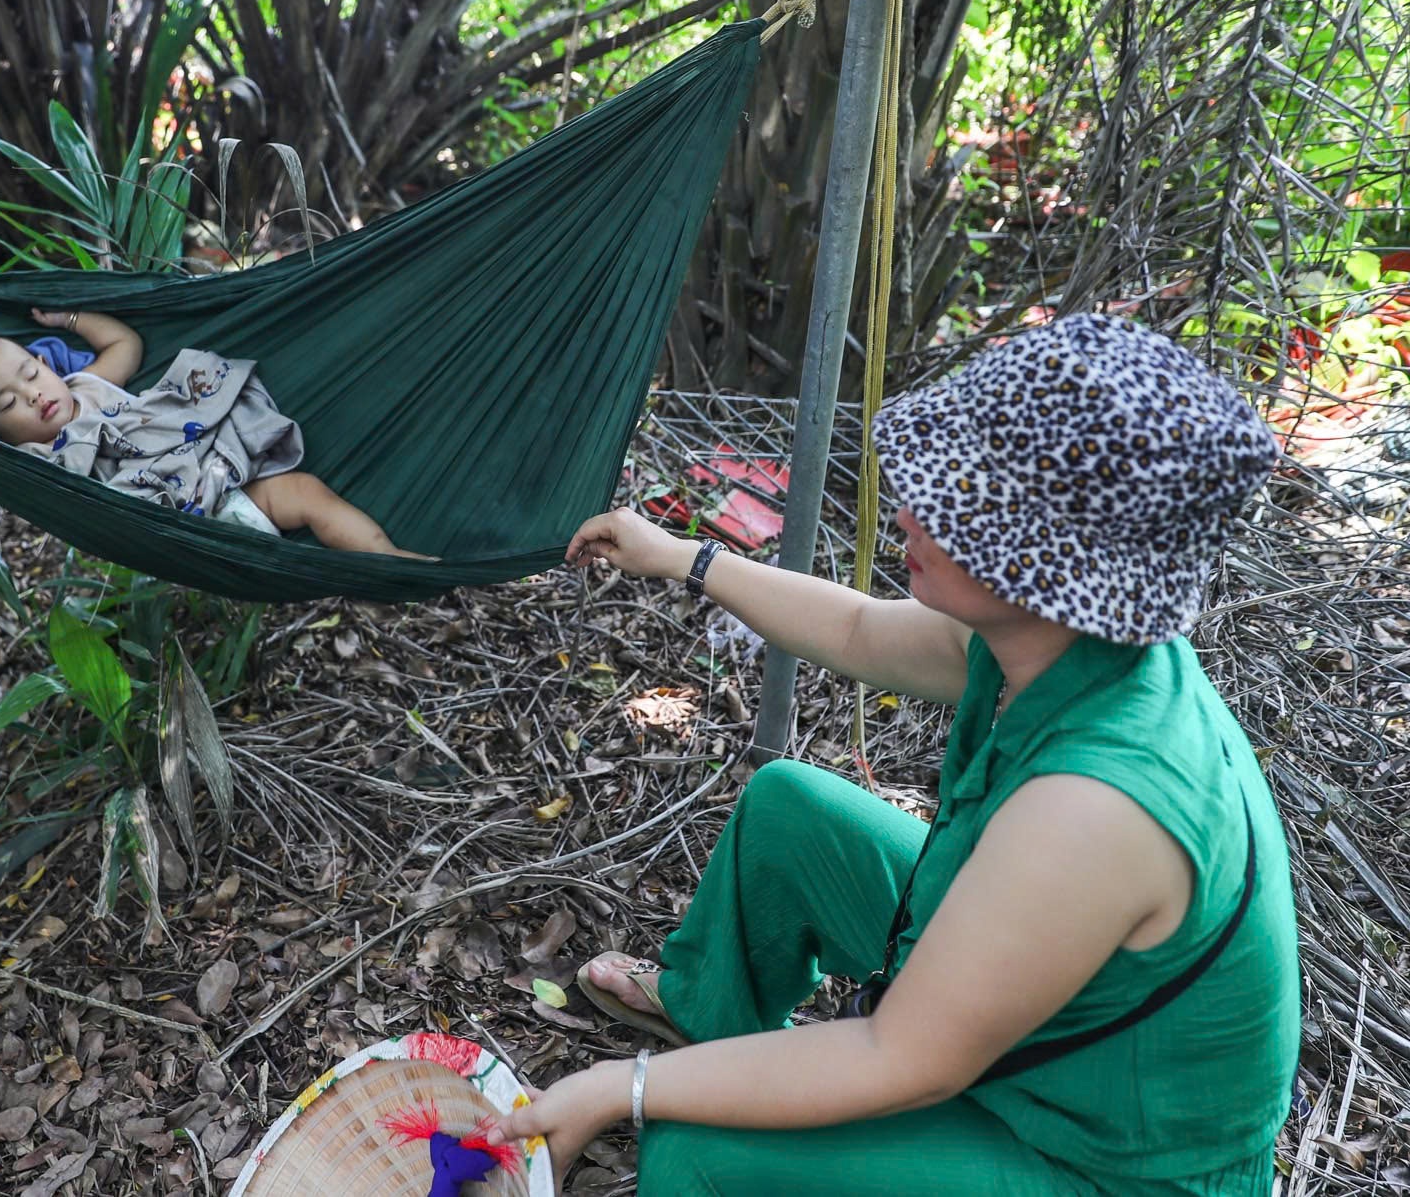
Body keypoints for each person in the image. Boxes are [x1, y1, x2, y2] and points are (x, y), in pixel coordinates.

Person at [486, 315, 1298, 1194]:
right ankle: (705, 1016)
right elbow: (857, 625)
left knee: (695, 1158)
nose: (909, 507)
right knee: (789, 810)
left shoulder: (1099, 805)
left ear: (1044, 554)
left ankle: (703, 1091)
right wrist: (683, 556)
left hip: (1100, 1155)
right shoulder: (1053, 640)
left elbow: (900, 1055)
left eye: (951, 499)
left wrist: (621, 1091)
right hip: (1032, 1023)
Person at [0, 308, 425, 557]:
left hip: (219, 486)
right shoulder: (34, 461)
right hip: (180, 529)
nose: (34, 395)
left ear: (46, 362)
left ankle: (387, 562)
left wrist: (71, 320)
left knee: (307, 492)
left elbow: (125, 341)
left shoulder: (87, 384)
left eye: (30, 374)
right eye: (7, 404)